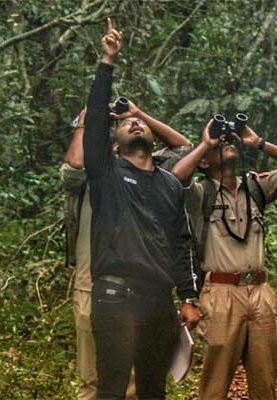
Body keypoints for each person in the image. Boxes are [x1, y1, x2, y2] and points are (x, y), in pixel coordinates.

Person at [82, 19, 200, 400]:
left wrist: (189, 297)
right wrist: (107, 62)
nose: (135, 124)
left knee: (153, 390)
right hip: (115, 296)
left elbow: (182, 242)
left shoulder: (169, 183)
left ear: (151, 136)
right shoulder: (106, 173)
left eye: (140, 122)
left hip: (158, 302)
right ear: (115, 145)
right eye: (127, 123)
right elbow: (95, 123)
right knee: (112, 389)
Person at [61, 95, 193, 398]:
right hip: (92, 283)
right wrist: (88, 119)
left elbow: (182, 149)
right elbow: (75, 165)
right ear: (113, 148)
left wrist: (137, 113)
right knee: (96, 379)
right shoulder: (95, 173)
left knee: (140, 381)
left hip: (142, 289)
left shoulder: (149, 178)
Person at [171, 117, 277, 399]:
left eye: (230, 141)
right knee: (216, 381)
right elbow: (176, 179)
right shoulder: (200, 193)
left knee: (265, 379)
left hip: (260, 291)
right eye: (220, 145)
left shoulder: (255, 187)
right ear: (204, 162)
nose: (227, 144)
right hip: (220, 292)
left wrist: (258, 142)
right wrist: (205, 144)